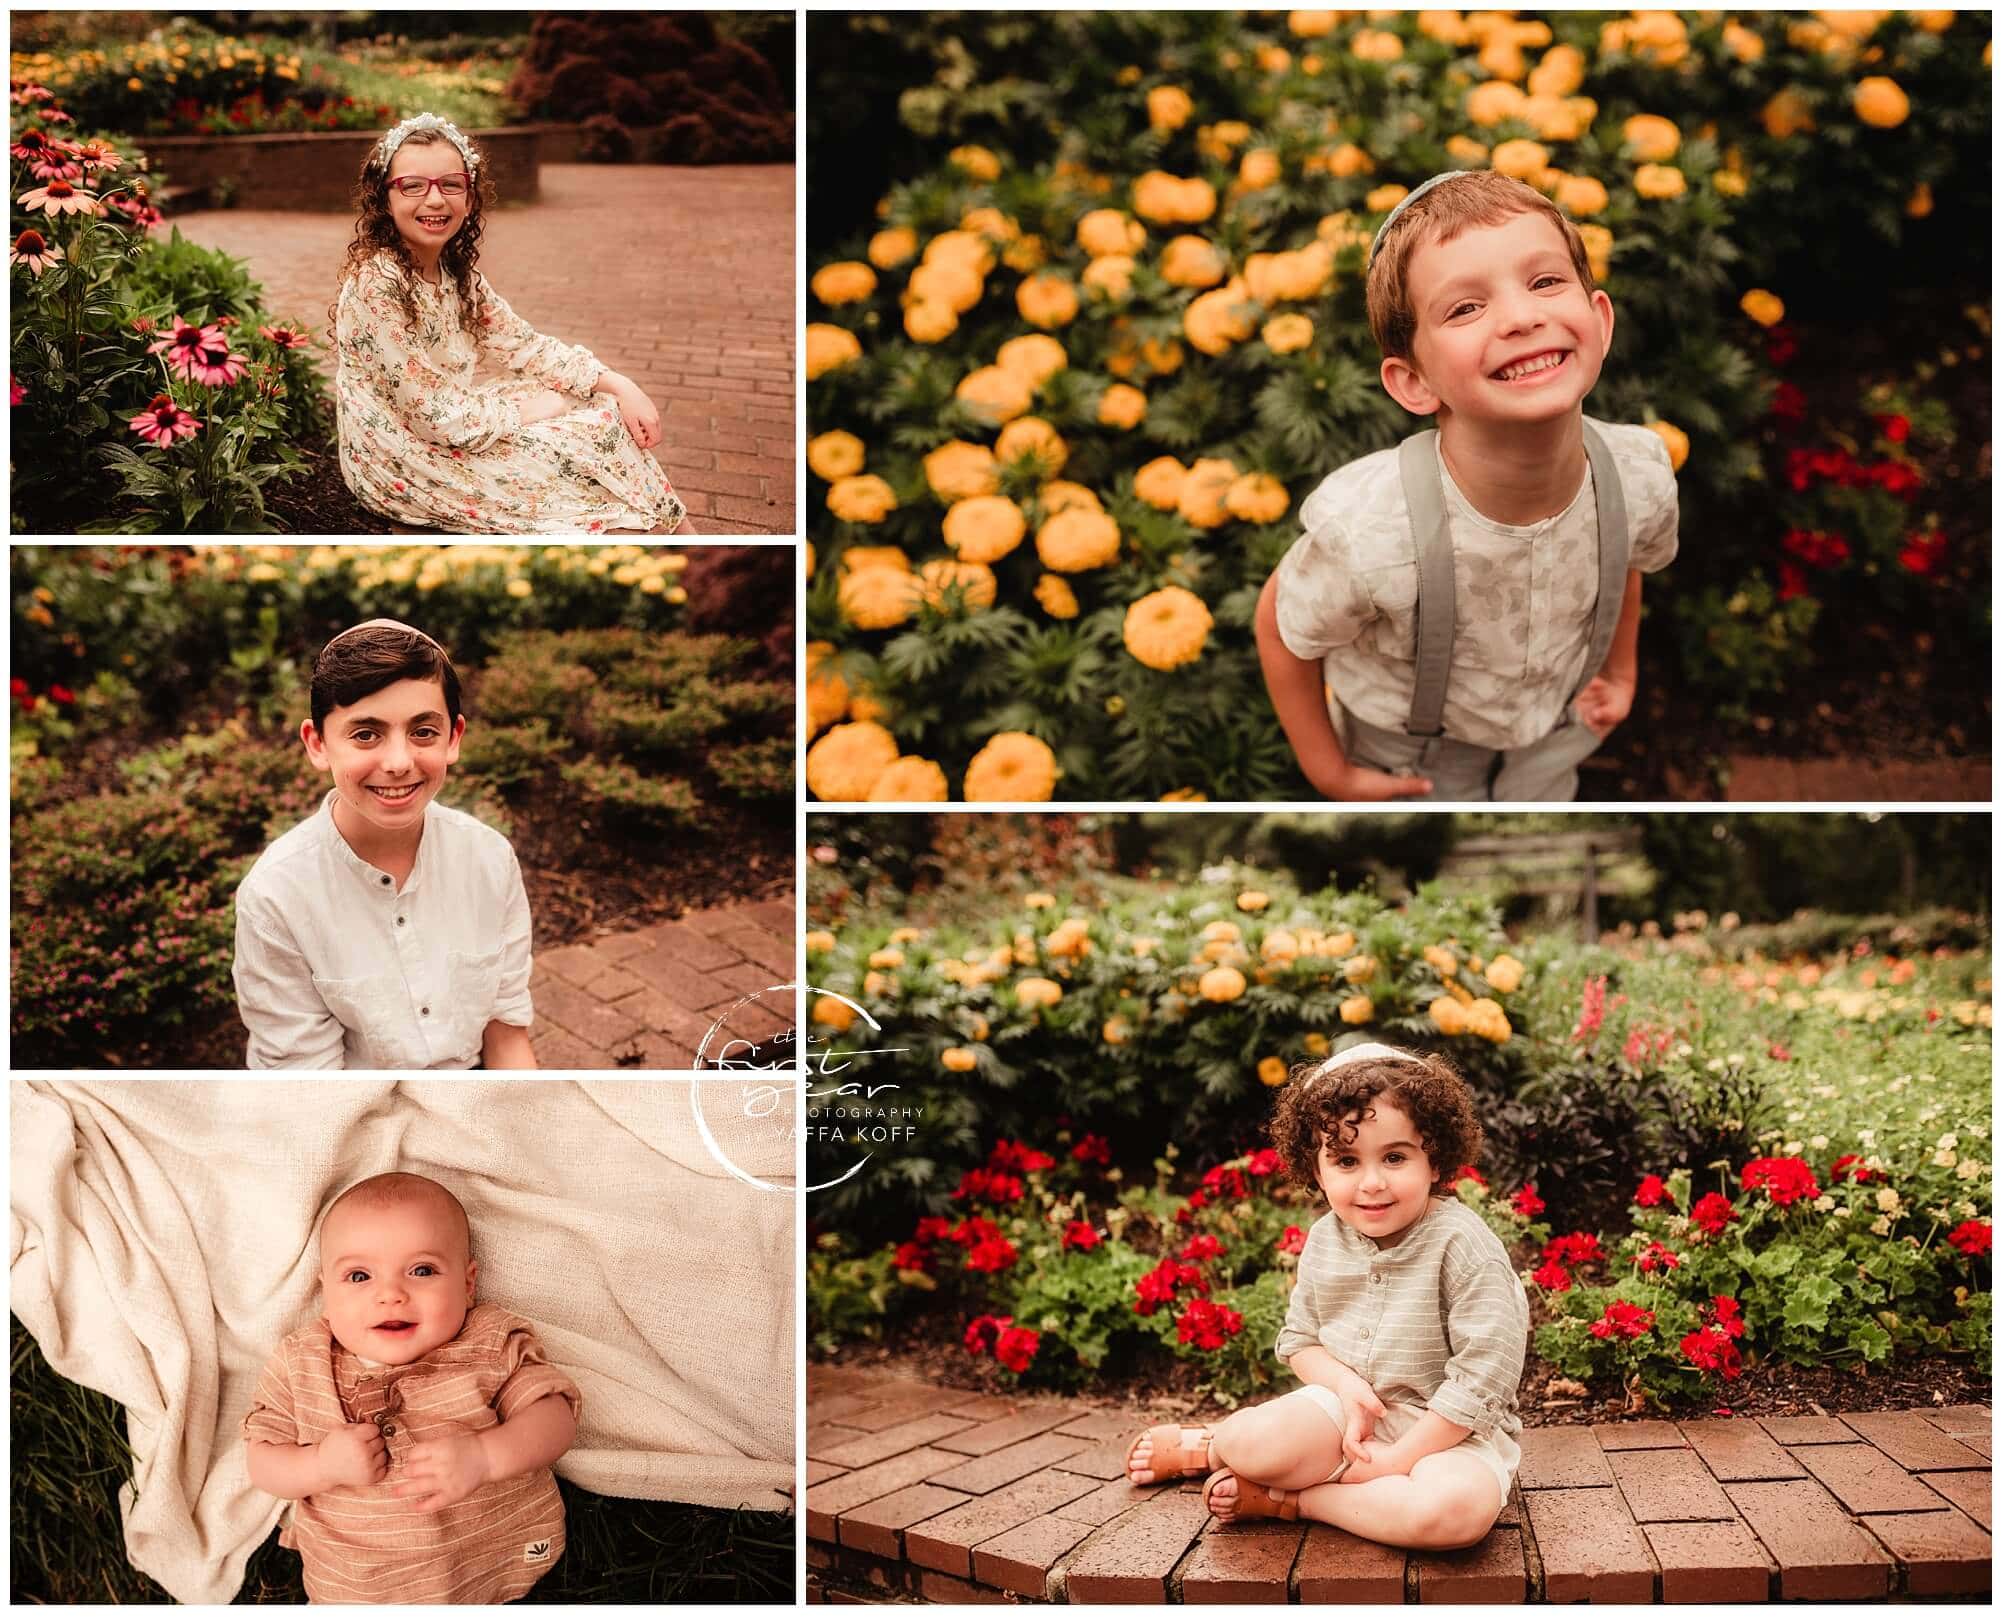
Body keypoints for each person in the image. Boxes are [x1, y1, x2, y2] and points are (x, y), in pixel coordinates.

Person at [1256, 169, 1680, 801]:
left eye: (1544, 281)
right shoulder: (1370, 533)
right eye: (1465, 307)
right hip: (1410, 753)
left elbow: (1626, 563)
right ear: (1414, 381)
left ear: (1599, 320)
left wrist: (1621, 671)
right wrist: (1331, 773)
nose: (1520, 317)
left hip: (1557, 728)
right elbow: (1281, 625)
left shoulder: (1640, 473)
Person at [1124, 1042, 1527, 1549]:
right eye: (1346, 1161)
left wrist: (1400, 1459)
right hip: (1345, 1416)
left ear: (1435, 1159)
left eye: (1395, 1157)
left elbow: (1482, 1380)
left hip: (1450, 1437)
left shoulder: (1465, 1248)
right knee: (1255, 1441)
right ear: (1317, 1171)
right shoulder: (1326, 1239)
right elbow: (1300, 1341)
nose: (1372, 1182)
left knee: (1451, 1516)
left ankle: (1292, 1501)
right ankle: (1213, 1445)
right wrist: (1343, 1384)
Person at [330, 112, 685, 534]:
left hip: (452, 423)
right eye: (412, 186)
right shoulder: (379, 281)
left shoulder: (458, 276)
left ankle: (675, 531)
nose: (435, 200)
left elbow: (525, 345)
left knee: (605, 412)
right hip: (399, 456)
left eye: (450, 184)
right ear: (384, 198)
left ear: (470, 194)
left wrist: (620, 383)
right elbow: (433, 413)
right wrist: (524, 412)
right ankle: (670, 533)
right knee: (581, 441)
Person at [243, 1172, 580, 1603]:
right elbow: (262, 1461)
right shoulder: (302, 1362)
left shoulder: (487, 1342)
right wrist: (321, 1465)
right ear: (325, 1291)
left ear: (467, 1283)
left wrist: (485, 1457)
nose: (391, 1294)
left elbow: (555, 1419)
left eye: (422, 1270)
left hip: (494, 1554)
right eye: (360, 1276)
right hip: (360, 1584)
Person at [232, 618, 536, 1069]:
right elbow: (308, 1086)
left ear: (453, 738)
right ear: (317, 744)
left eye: (423, 732)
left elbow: (506, 1036)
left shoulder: (489, 858)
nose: (398, 762)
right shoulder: (275, 898)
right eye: (365, 735)